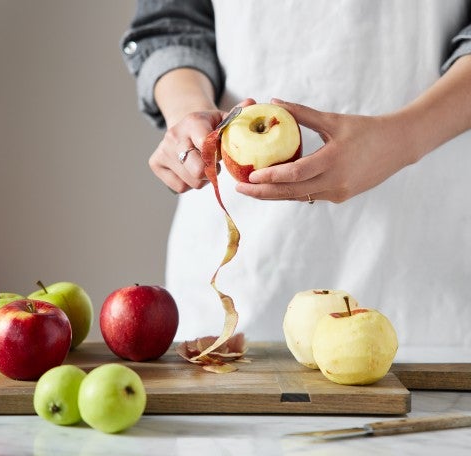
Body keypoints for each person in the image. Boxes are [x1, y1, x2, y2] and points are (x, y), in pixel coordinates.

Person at [120, 0, 471, 352]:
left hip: (428, 262)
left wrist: (403, 138)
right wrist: (189, 116)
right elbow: (171, 21)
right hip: (247, 266)